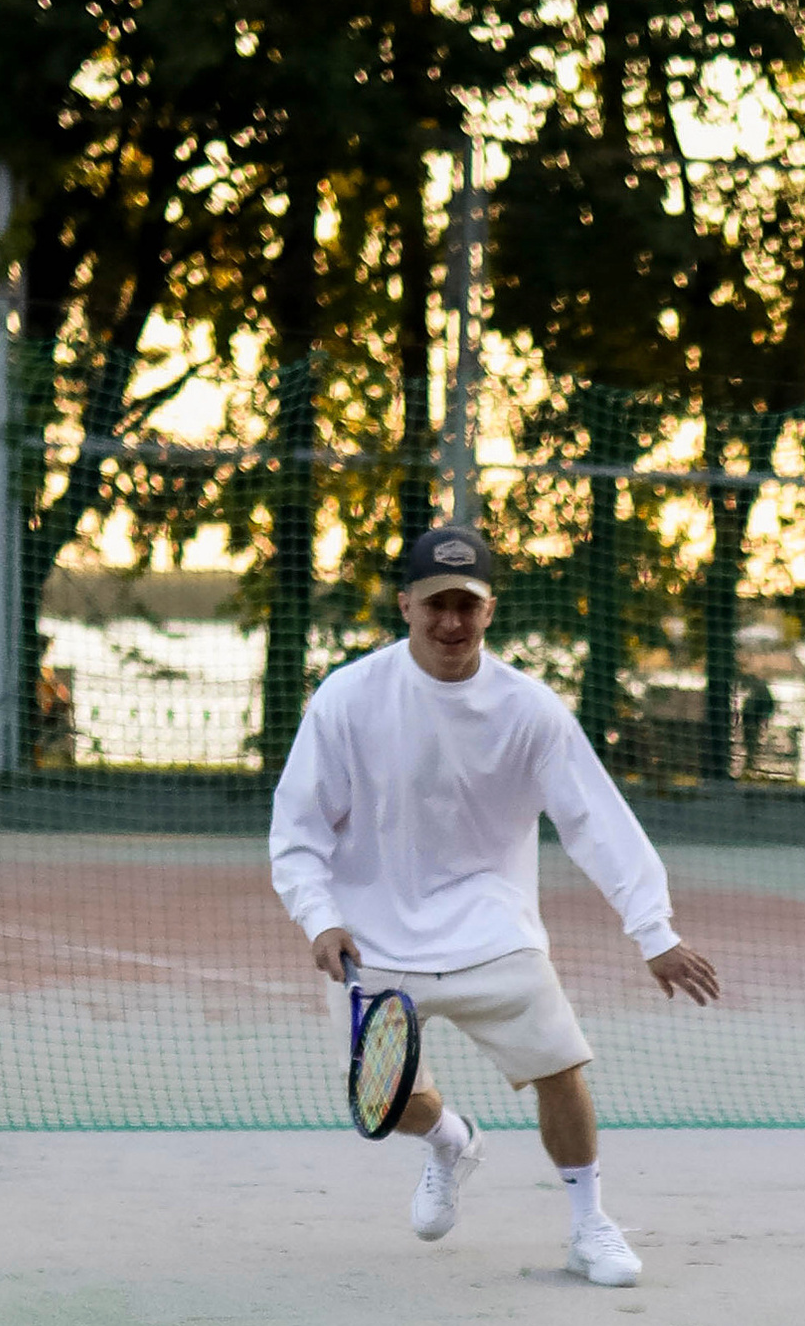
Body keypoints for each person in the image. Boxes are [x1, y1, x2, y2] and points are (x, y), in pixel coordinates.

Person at [269, 520, 721, 1284]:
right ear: (406, 604)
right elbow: (299, 825)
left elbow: (598, 823)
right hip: (374, 945)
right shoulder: (348, 698)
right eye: (436, 603)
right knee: (390, 1108)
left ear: (489, 609)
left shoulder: (530, 709)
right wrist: (320, 919)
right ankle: (449, 1140)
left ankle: (589, 1227)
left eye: (467, 605)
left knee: (562, 1066)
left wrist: (655, 933)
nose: (451, 621)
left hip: (494, 932)